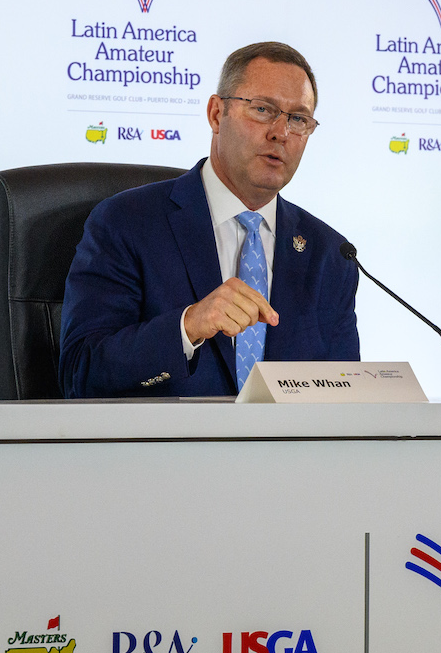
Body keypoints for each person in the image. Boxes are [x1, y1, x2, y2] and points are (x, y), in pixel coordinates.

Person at [59, 42, 360, 397]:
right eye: (264, 109)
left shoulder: (330, 254)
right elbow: (80, 373)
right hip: (165, 450)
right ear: (217, 114)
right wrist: (188, 327)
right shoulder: (127, 223)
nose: (281, 132)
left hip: (288, 453)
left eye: (298, 119)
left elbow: (343, 403)